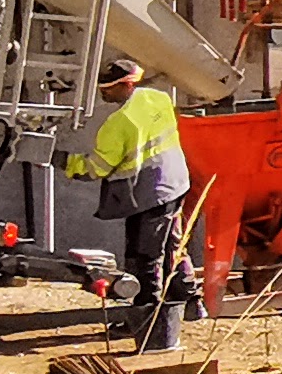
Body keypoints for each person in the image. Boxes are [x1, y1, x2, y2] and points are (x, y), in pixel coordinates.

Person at [76, 56, 197, 347]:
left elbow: (97, 169)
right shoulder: (159, 99)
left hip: (149, 196)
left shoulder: (119, 122)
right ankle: (193, 302)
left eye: (108, 87)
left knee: (145, 258)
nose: (103, 92)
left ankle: (148, 322)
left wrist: (65, 163)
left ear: (127, 84)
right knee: (174, 247)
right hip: (176, 183)